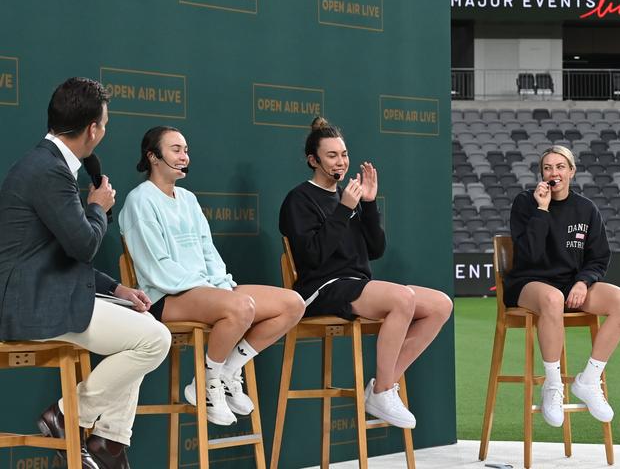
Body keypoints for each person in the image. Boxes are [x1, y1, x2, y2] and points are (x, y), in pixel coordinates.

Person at [0, 77, 172, 469]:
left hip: (44, 290)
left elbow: (60, 254)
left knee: (139, 323)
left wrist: (118, 289)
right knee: (155, 340)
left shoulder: (48, 164)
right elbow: (83, 245)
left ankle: (108, 442)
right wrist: (96, 206)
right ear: (93, 129)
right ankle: (66, 415)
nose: (104, 132)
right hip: (30, 305)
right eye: (105, 124)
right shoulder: (49, 170)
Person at [118, 126, 305, 426]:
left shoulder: (189, 200)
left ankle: (227, 370)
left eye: (186, 150)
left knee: (293, 304)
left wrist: (220, 286)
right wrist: (210, 291)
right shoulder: (140, 201)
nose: (184, 156)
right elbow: (157, 266)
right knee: (241, 306)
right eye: (175, 149)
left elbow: (209, 252)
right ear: (153, 157)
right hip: (165, 296)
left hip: (205, 290)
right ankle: (207, 385)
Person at [279, 117, 453, 429]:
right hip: (321, 289)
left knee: (441, 304)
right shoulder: (299, 199)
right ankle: (384, 390)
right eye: (331, 155)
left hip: (356, 284)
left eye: (344, 154)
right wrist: (344, 209)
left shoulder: (350, 195)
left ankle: (383, 385)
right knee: (402, 298)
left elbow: (375, 250)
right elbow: (314, 256)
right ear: (312, 160)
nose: (341, 162)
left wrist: (369, 205)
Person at [505, 145, 620, 428]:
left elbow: (599, 257)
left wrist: (584, 281)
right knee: (551, 299)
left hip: (570, 284)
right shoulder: (525, 203)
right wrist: (542, 209)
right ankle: (553, 385)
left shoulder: (586, 208)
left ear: (572, 172)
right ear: (542, 174)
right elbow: (531, 255)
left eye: (560, 167)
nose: (554, 173)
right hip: (529, 282)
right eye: (548, 168)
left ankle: (588, 380)